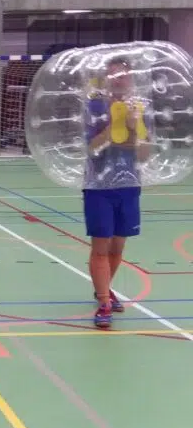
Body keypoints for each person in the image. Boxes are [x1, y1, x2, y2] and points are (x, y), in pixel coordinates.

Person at [84, 56, 149, 329]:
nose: (119, 80)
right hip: (99, 187)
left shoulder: (139, 108)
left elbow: (144, 155)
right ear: (106, 80)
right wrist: (111, 129)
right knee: (101, 246)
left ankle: (105, 289)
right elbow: (91, 149)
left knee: (118, 246)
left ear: (131, 78)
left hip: (129, 186)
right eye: (113, 76)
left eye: (123, 75)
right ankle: (104, 302)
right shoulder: (95, 108)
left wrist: (134, 129)